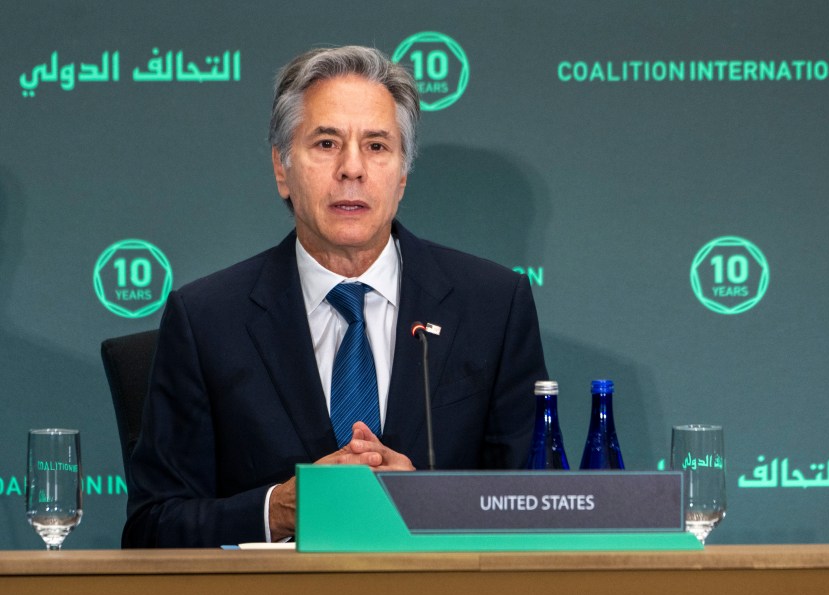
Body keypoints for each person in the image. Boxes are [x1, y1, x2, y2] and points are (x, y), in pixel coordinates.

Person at [123, 46, 547, 548]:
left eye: (376, 146)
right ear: (282, 169)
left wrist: (428, 501)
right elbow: (152, 528)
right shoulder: (206, 319)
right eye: (326, 143)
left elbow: (536, 507)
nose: (352, 169)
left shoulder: (493, 306)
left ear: (402, 174)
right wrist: (276, 509)